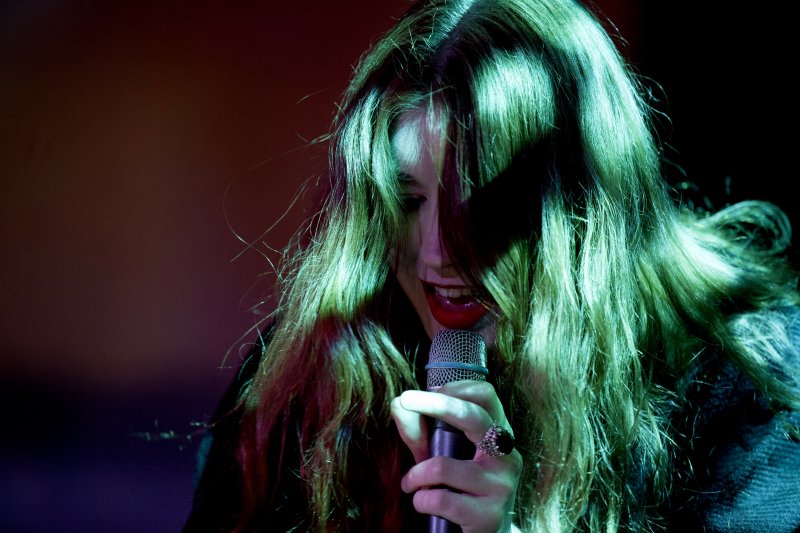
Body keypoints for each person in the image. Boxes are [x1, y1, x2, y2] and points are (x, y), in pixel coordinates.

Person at [183, 0, 800, 531]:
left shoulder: (745, 382)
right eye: (408, 201)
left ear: (583, 212)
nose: (438, 254)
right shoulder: (318, 374)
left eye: (475, 204)